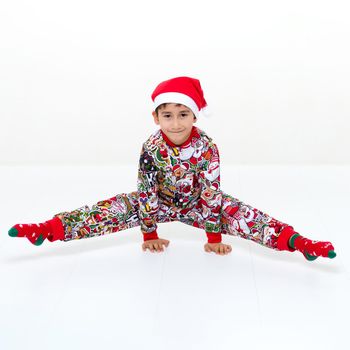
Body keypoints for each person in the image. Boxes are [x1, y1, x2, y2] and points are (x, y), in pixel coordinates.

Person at [8, 76, 336, 260]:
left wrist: (213, 235)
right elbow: (146, 188)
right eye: (168, 115)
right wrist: (149, 232)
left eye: (183, 114)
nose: (176, 122)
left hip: (197, 205)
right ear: (156, 117)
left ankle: (298, 243)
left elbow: (211, 191)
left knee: (239, 212)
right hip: (159, 203)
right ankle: (49, 230)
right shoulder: (152, 146)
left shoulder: (206, 147)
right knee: (117, 206)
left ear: (194, 116)